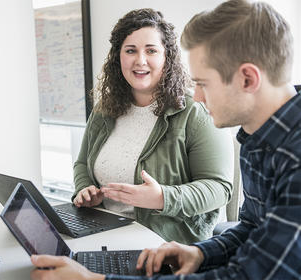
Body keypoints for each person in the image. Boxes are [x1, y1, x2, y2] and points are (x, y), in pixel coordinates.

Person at [30, 0, 301, 279]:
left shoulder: (295, 158)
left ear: (247, 79)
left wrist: (96, 279)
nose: (197, 97)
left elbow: (246, 275)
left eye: (204, 84)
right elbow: (251, 229)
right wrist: (202, 253)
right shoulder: (259, 141)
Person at [72, 8, 233, 244]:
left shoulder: (194, 111)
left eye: (151, 50)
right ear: (118, 57)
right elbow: (83, 163)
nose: (140, 60)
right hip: (101, 233)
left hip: (167, 244)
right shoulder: (104, 108)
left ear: (166, 57)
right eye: (130, 50)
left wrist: (163, 198)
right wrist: (84, 189)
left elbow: (219, 188)